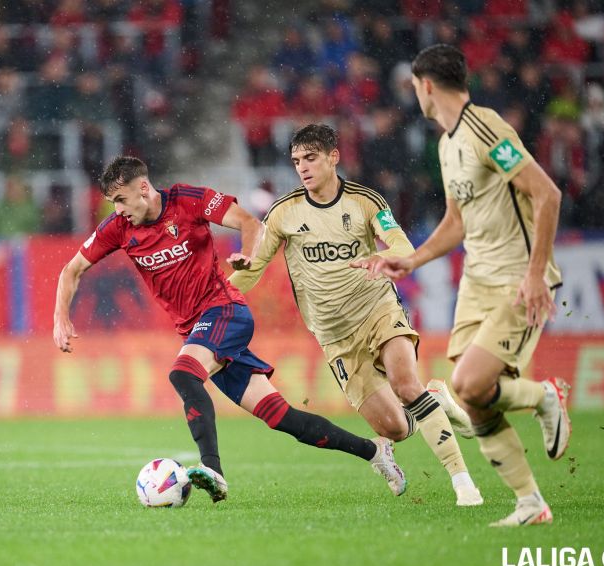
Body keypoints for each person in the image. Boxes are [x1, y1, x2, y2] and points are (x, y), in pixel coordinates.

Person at [52, 156, 406, 502]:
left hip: (225, 311)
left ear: (143, 188)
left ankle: (213, 471)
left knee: (183, 374)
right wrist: (60, 317)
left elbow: (250, 223)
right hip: (199, 332)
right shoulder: (119, 228)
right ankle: (375, 452)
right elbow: (71, 270)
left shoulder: (188, 201)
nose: (118, 210)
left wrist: (248, 255)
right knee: (282, 417)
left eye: (121, 200)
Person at [228, 124, 482, 508]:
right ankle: (434, 398)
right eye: (297, 161)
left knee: (404, 384)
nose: (303, 168)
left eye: (311, 159)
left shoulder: (366, 201)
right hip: (335, 337)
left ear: (334, 157)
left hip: (377, 309)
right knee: (394, 428)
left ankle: (464, 483)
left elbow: (398, 241)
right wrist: (218, 299)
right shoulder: (284, 212)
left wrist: (384, 255)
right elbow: (254, 267)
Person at [372, 44, 571, 527]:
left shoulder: (486, 128)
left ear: (426, 86)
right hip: (477, 282)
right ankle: (530, 504)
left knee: (468, 384)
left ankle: (545, 396)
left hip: (515, 278)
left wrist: (534, 273)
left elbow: (546, 193)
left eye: (414, 87)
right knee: (476, 398)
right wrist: (412, 259)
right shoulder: (446, 143)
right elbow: (456, 221)